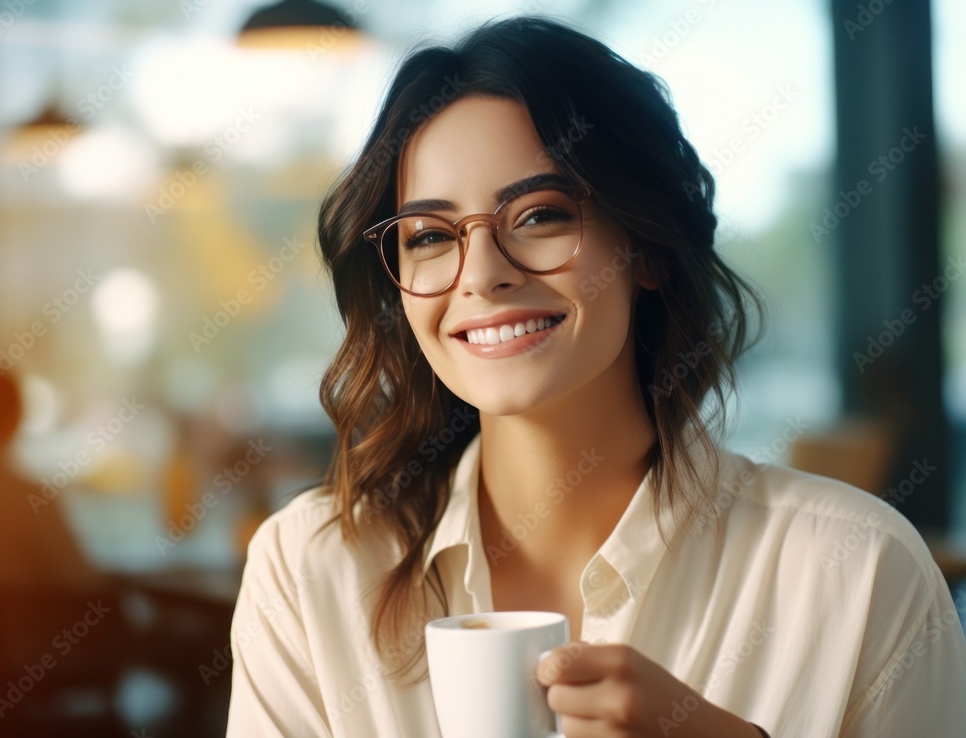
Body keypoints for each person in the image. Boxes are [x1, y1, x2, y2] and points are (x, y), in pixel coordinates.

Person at [226, 16, 966, 738]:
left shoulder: (861, 573)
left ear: (646, 248)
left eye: (540, 216)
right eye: (428, 236)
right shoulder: (308, 569)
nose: (481, 276)